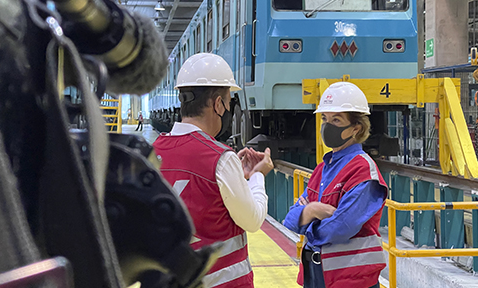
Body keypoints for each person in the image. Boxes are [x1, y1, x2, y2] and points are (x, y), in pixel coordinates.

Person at [152, 53, 274, 288]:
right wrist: (257, 175)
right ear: (218, 104)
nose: (228, 109)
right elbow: (253, 220)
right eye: (228, 103)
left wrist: (236, 173)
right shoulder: (219, 157)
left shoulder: (151, 152)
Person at [283, 82, 388, 288]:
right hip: (316, 276)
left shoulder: (363, 171)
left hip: (351, 279)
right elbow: (291, 218)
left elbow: (341, 228)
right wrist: (314, 209)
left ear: (356, 127)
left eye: (336, 120)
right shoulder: (322, 169)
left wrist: (308, 220)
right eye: (325, 118)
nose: (327, 125)